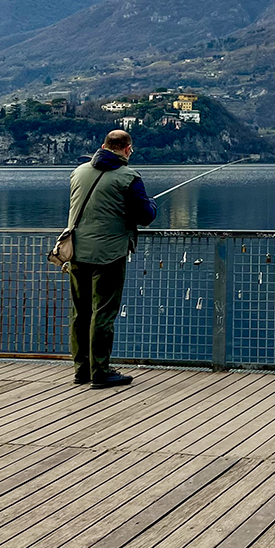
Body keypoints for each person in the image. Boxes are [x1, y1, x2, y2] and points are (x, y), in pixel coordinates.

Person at [67, 128, 156, 388]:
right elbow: (145, 216)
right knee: (103, 313)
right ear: (127, 149)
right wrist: (152, 204)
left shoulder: (79, 172)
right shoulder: (129, 177)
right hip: (109, 254)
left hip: (77, 251)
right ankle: (101, 372)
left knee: (80, 313)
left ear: (104, 145)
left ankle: (81, 369)